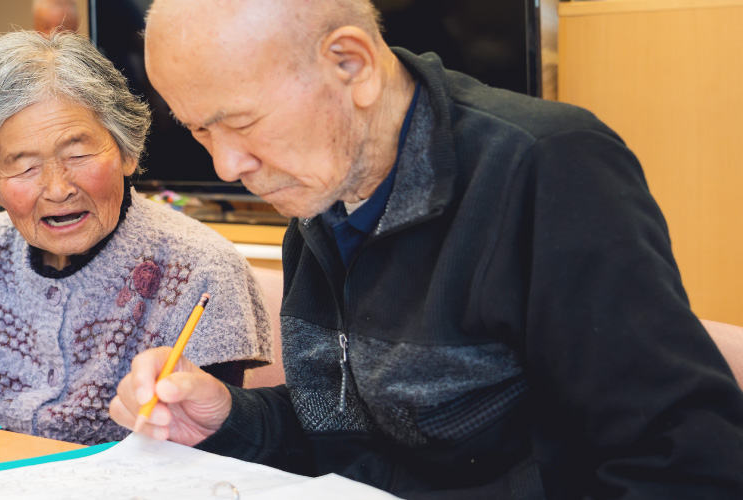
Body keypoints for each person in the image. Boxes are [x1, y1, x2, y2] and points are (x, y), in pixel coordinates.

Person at [109, 0, 743, 498]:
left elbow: (679, 458)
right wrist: (229, 418)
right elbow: (358, 426)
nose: (226, 164)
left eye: (242, 123)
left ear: (349, 65)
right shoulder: (320, 188)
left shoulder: (545, 168)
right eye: (199, 130)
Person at [0, 30, 270, 451]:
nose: (57, 189)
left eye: (77, 155)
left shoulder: (202, 269)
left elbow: (212, 443)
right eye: (23, 167)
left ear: (128, 152)